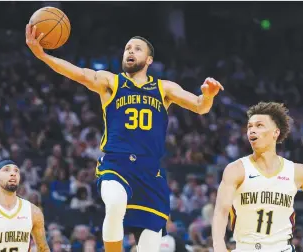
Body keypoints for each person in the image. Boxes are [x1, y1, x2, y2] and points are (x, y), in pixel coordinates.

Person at [25, 25, 224, 252]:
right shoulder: (112, 82)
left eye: (137, 49)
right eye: (127, 48)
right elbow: (77, 72)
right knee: (116, 203)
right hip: (116, 163)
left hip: (150, 171)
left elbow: (200, 107)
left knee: (150, 245)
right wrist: (42, 55)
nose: (130, 51)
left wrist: (208, 95)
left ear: (149, 60)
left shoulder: (163, 88)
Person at [212, 102, 303, 252]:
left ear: (275, 133)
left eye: (259, 125)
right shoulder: (236, 170)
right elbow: (221, 211)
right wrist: (219, 247)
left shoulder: (297, 172)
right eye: (250, 126)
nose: (252, 130)